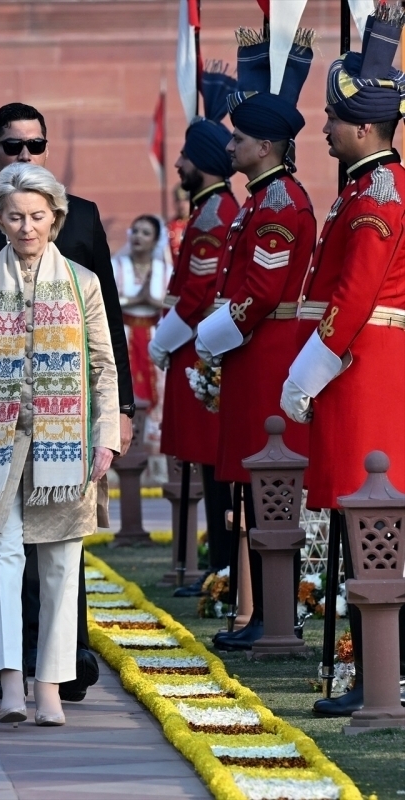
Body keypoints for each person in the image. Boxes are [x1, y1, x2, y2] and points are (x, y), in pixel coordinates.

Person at [0, 101, 132, 701]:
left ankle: (58, 673)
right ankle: (8, 669)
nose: (26, 226)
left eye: (37, 216)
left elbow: (106, 346)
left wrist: (112, 425)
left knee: (61, 560)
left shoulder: (83, 261)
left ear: (55, 217)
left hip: (64, 427)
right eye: (14, 216)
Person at [280, 5, 405, 716]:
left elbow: (354, 297)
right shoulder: (362, 187)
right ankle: (372, 670)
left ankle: (382, 674)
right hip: (362, 368)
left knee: (372, 527)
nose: (322, 127)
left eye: (332, 117)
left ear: (363, 127)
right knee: (365, 530)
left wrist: (309, 370)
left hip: (367, 372)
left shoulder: (377, 195)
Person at [196, 25, 315, 653]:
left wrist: (211, 335)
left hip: (266, 352)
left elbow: (261, 294)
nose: (231, 145)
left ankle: (275, 617)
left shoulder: (277, 205)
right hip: (253, 353)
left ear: (265, 146)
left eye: (239, 138)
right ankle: (258, 613)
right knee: (251, 489)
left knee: (269, 493)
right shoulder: (262, 199)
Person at [148, 67, 240, 598]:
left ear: (202, 165)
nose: (178, 163)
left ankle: (224, 570)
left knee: (217, 472)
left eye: (185, 156)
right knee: (208, 471)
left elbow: (198, 296)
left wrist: (163, 341)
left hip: (200, 351)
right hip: (198, 350)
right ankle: (217, 567)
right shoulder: (209, 209)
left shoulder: (210, 217)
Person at [112, 214, 171, 409]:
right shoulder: (117, 266)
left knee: (159, 388)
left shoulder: (165, 270)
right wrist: (135, 300)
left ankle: (153, 437)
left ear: (155, 240)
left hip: (155, 336)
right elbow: (105, 301)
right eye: (135, 231)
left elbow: (174, 305)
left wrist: (154, 302)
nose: (138, 236)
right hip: (124, 333)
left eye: (146, 233)